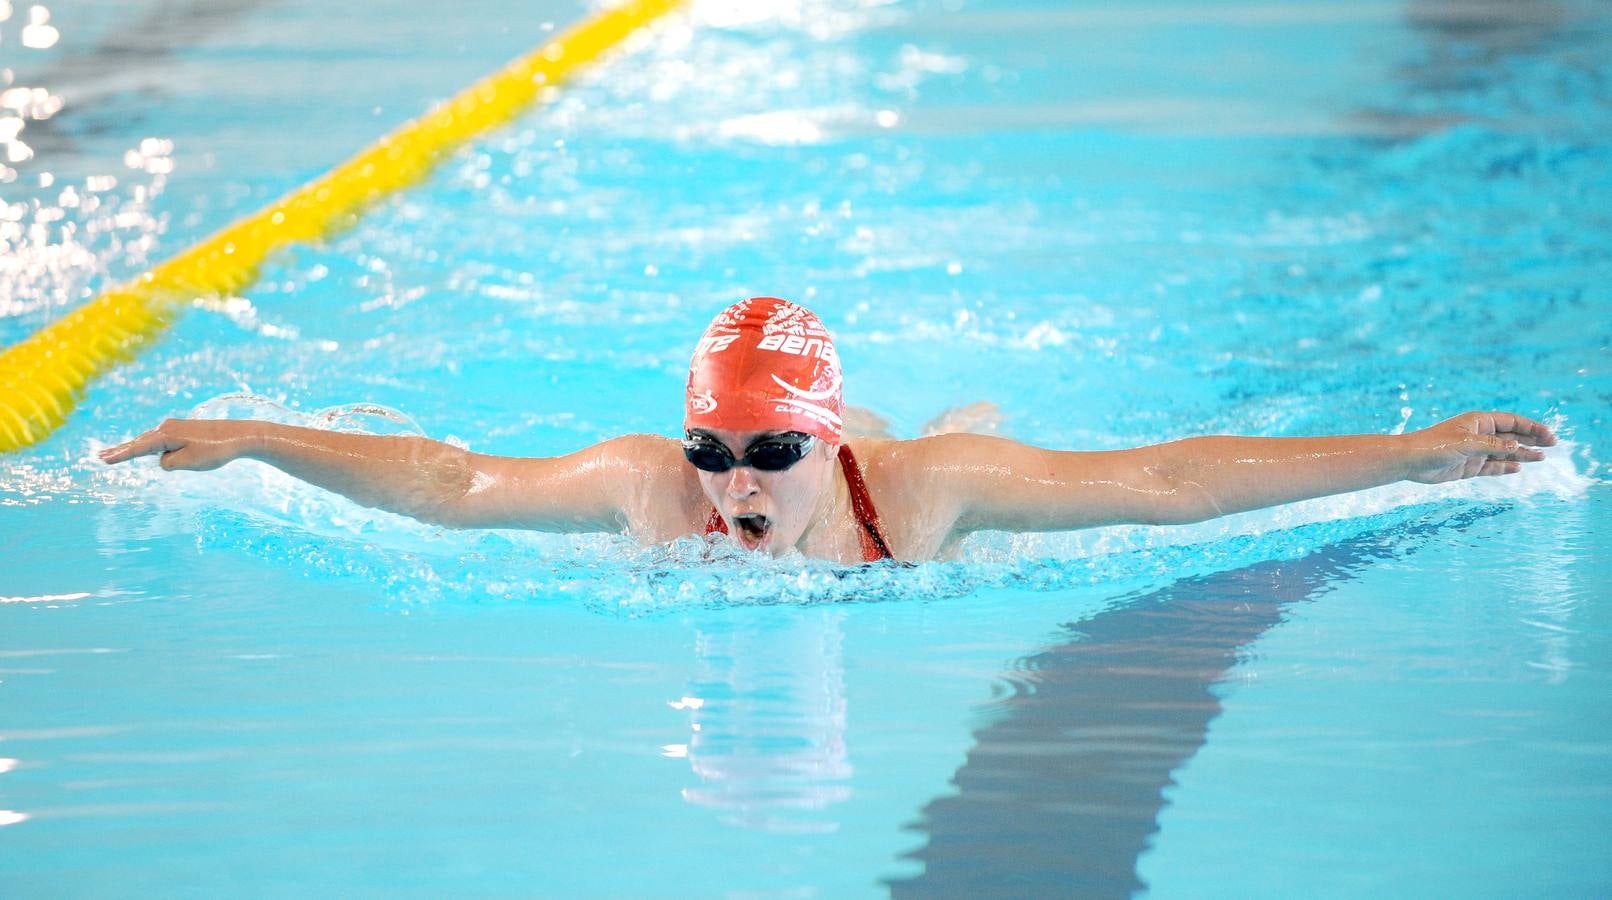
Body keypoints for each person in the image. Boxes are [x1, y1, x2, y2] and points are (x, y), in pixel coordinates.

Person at [99, 297, 1557, 564]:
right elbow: (455, 482)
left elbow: (1169, 482)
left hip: (897, 442)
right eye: (713, 450)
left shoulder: (917, 494)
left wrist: (1417, 448)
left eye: (766, 453)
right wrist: (253, 432)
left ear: (821, 452)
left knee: (970, 440)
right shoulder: (651, 486)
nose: (730, 484)